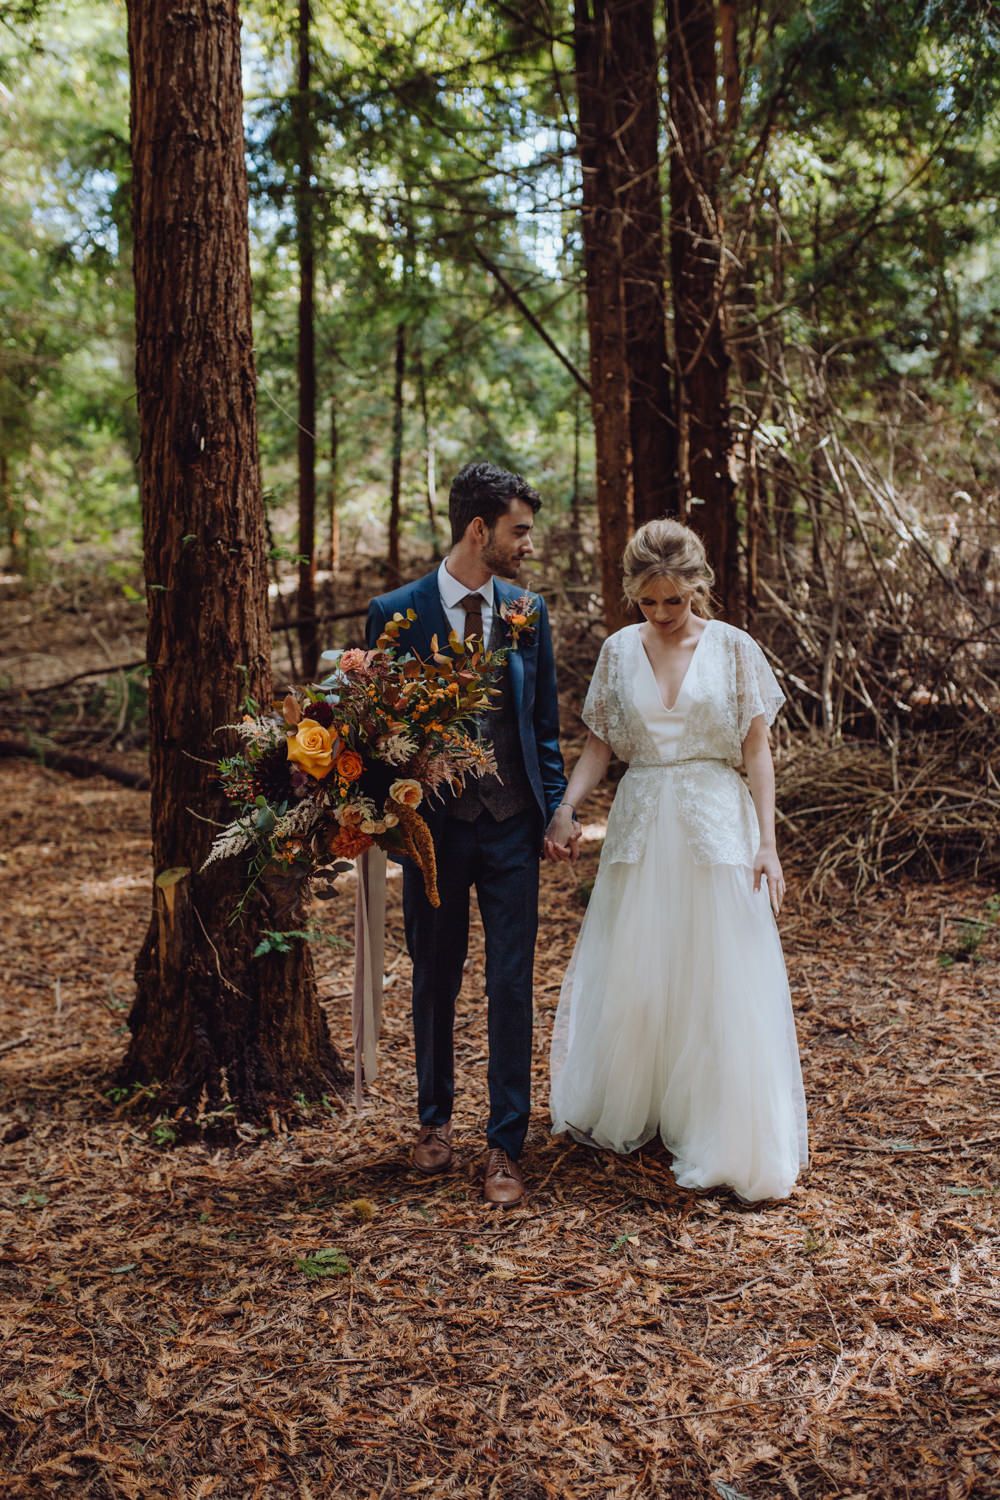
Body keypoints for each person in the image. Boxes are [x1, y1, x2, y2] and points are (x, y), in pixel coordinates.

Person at [546, 519, 808, 1202]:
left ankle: (720, 1122)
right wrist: (567, 807)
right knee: (641, 965)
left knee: (718, 969)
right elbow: (599, 745)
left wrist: (767, 844)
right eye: (648, 602)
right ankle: (645, 1104)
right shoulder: (617, 651)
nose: (662, 614)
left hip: (717, 823)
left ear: (698, 587)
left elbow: (757, 751)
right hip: (641, 824)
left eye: (675, 600)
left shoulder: (734, 648)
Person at [366, 461, 567, 1206]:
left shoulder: (528, 612)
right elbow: (375, 728)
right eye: (520, 530)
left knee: (512, 984)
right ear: (479, 529)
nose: (528, 544)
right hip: (435, 834)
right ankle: (433, 1120)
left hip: (512, 828)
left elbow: (542, 726)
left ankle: (505, 1143)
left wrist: (554, 808)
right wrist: (385, 808)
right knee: (434, 977)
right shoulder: (396, 611)